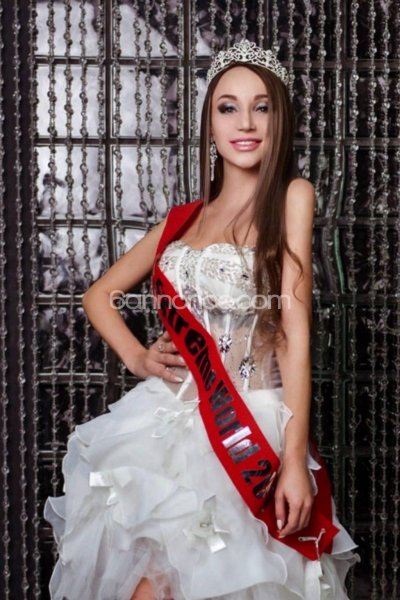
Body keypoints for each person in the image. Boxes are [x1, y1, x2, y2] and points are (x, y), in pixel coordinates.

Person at [44, 39, 360, 600]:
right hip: (164, 429)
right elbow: (98, 296)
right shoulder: (183, 220)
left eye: (262, 107)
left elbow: (294, 335)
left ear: (280, 121)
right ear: (209, 125)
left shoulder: (293, 196)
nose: (246, 123)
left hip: (248, 427)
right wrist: (138, 356)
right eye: (228, 107)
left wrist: (293, 459)